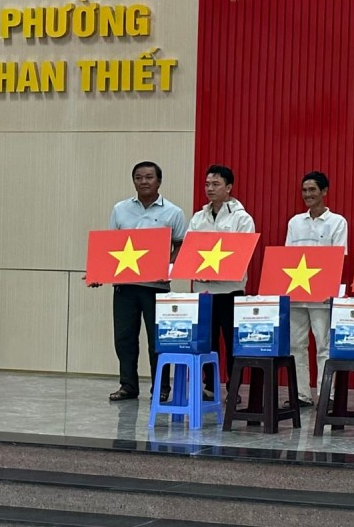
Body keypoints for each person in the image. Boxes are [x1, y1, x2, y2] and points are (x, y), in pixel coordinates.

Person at [98, 161, 187, 402]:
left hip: (156, 287)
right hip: (125, 286)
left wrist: (168, 267)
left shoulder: (173, 212)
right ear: (133, 181)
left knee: (157, 339)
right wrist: (99, 273)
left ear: (159, 181)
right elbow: (110, 247)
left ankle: (161, 387)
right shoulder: (120, 209)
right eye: (139, 177)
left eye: (149, 177)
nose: (144, 181)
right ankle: (128, 385)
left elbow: (180, 244)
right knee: (124, 338)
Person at [187, 165, 255, 401]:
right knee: (208, 341)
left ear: (229, 187)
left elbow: (242, 254)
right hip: (203, 291)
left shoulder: (241, 218)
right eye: (207, 184)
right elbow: (190, 251)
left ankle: (233, 387)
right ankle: (210, 386)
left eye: (215, 184)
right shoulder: (198, 217)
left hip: (230, 290)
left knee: (232, 341)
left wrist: (214, 269)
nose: (210, 189)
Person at [284, 171, 348, 407]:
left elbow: (339, 258)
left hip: (322, 295)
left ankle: (326, 395)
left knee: (324, 345)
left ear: (324, 192)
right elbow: (287, 258)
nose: (308, 194)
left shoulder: (338, 222)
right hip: (297, 294)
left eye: (312, 190)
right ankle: (301, 394)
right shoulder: (294, 222)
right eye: (304, 190)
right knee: (295, 345)